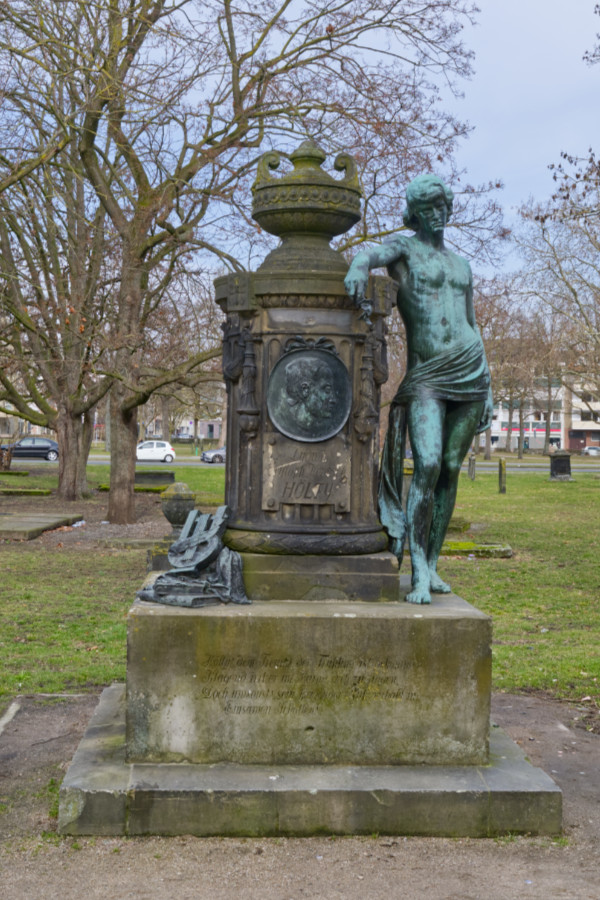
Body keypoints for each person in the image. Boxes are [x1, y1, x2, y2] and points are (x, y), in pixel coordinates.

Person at [345, 174, 493, 604]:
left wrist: (488, 383)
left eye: (442, 206)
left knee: (449, 467)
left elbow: (472, 322)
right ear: (415, 213)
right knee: (426, 464)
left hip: (470, 369)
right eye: (428, 208)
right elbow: (373, 253)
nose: (437, 214)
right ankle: (418, 570)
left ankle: (432, 561)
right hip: (428, 373)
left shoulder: (462, 265)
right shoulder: (405, 250)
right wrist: (358, 264)